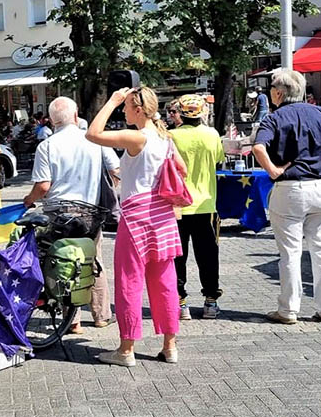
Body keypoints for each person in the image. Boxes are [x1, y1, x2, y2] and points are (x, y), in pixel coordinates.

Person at [85, 87, 185, 367]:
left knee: (130, 281)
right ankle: (170, 345)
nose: (124, 111)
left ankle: (127, 349)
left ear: (138, 109)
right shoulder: (165, 138)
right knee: (165, 282)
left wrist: (111, 101)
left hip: (136, 217)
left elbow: (93, 133)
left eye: (127, 107)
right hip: (162, 215)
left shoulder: (136, 137)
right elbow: (182, 170)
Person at [252, 70, 321, 325]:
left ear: (279, 92)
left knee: (290, 251)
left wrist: (273, 170)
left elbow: (258, 147)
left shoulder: (275, 117)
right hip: (320, 187)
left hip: (289, 187)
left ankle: (288, 309)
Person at [23, 96, 119, 332]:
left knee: (62, 261)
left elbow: (43, 186)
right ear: (76, 117)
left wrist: (29, 200)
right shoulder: (95, 141)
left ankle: (72, 320)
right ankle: (101, 315)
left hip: (59, 214)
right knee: (93, 259)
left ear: (52, 121)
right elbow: (116, 170)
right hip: (91, 214)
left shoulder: (47, 146)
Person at [166, 95, 225, 320]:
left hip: (177, 206)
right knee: (208, 255)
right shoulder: (212, 134)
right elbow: (218, 158)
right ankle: (211, 301)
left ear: (181, 112)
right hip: (206, 204)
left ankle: (181, 303)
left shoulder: (171, 136)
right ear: (202, 112)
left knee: (177, 256)